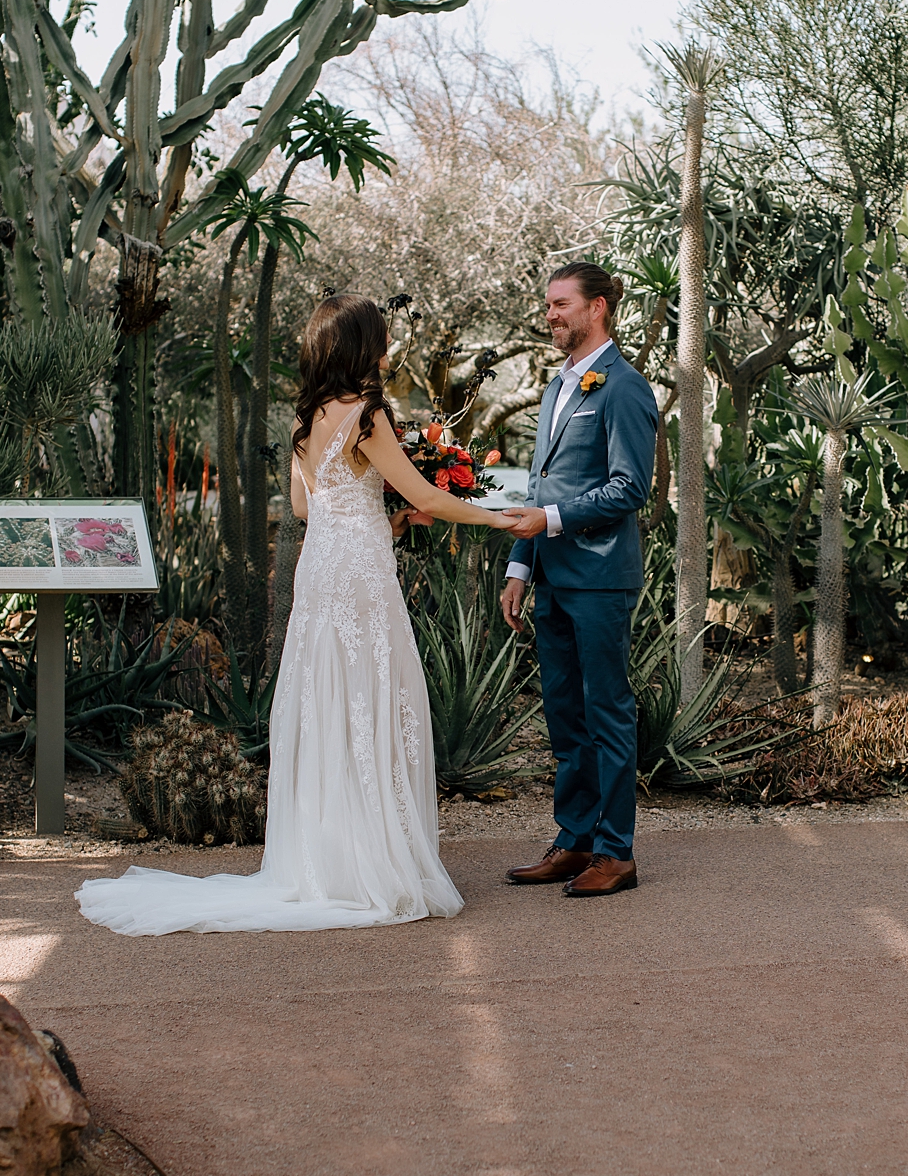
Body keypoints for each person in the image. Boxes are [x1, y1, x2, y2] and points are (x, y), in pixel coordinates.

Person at [76, 294, 522, 934]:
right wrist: (494, 516)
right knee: (373, 696)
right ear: (361, 348)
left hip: (322, 566)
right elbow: (424, 492)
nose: (388, 350)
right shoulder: (368, 415)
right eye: (382, 340)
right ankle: (372, 861)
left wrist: (385, 518)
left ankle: (323, 861)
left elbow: (310, 509)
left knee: (327, 700)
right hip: (360, 572)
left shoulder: (308, 417)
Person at [498, 262, 658, 898]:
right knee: (565, 714)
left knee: (607, 713)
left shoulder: (623, 387)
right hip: (550, 575)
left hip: (598, 575)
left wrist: (550, 520)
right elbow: (540, 485)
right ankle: (574, 841)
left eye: (562, 304)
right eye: (548, 306)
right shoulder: (556, 388)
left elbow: (629, 488)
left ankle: (616, 854)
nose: (551, 315)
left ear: (599, 308)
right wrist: (519, 567)